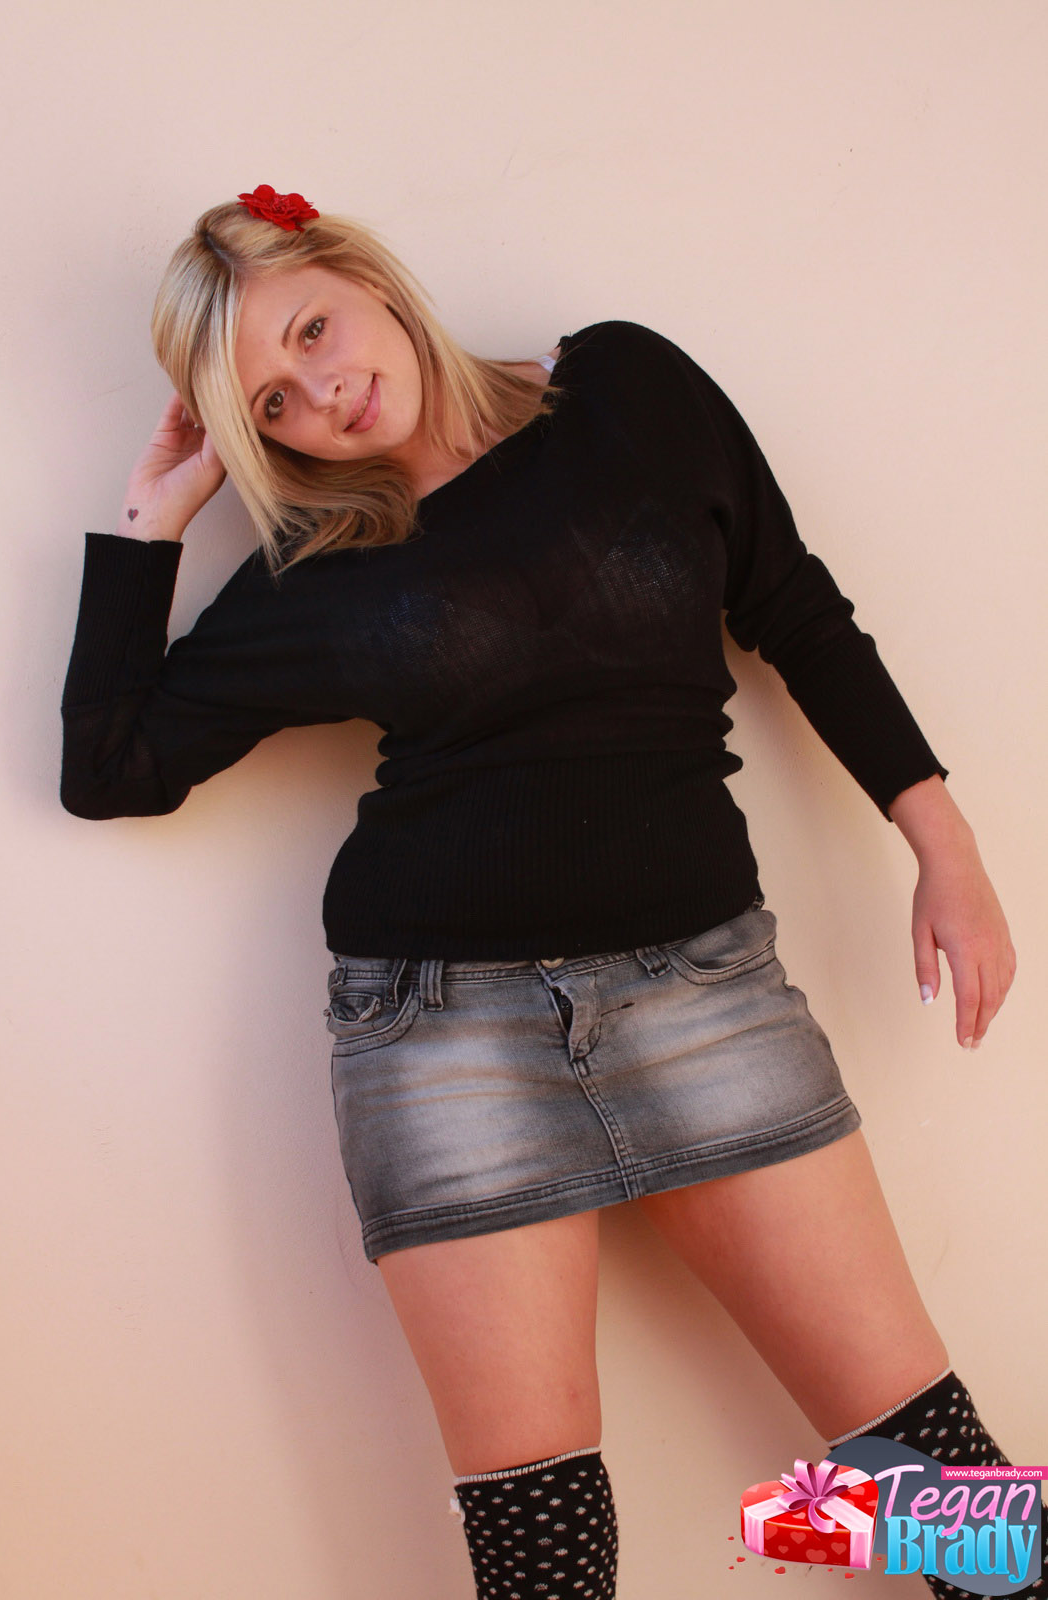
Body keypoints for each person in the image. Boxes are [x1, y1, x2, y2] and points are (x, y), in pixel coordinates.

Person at [60, 186, 1040, 1600]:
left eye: (314, 331)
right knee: (547, 1560)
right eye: (272, 403)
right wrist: (150, 528)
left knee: (946, 1494)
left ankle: (786, 1526)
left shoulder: (625, 387)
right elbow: (112, 769)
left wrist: (944, 845)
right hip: (442, 1043)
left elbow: (792, 606)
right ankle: (745, 1529)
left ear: (361, 274)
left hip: (706, 998)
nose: (324, 394)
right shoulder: (317, 567)